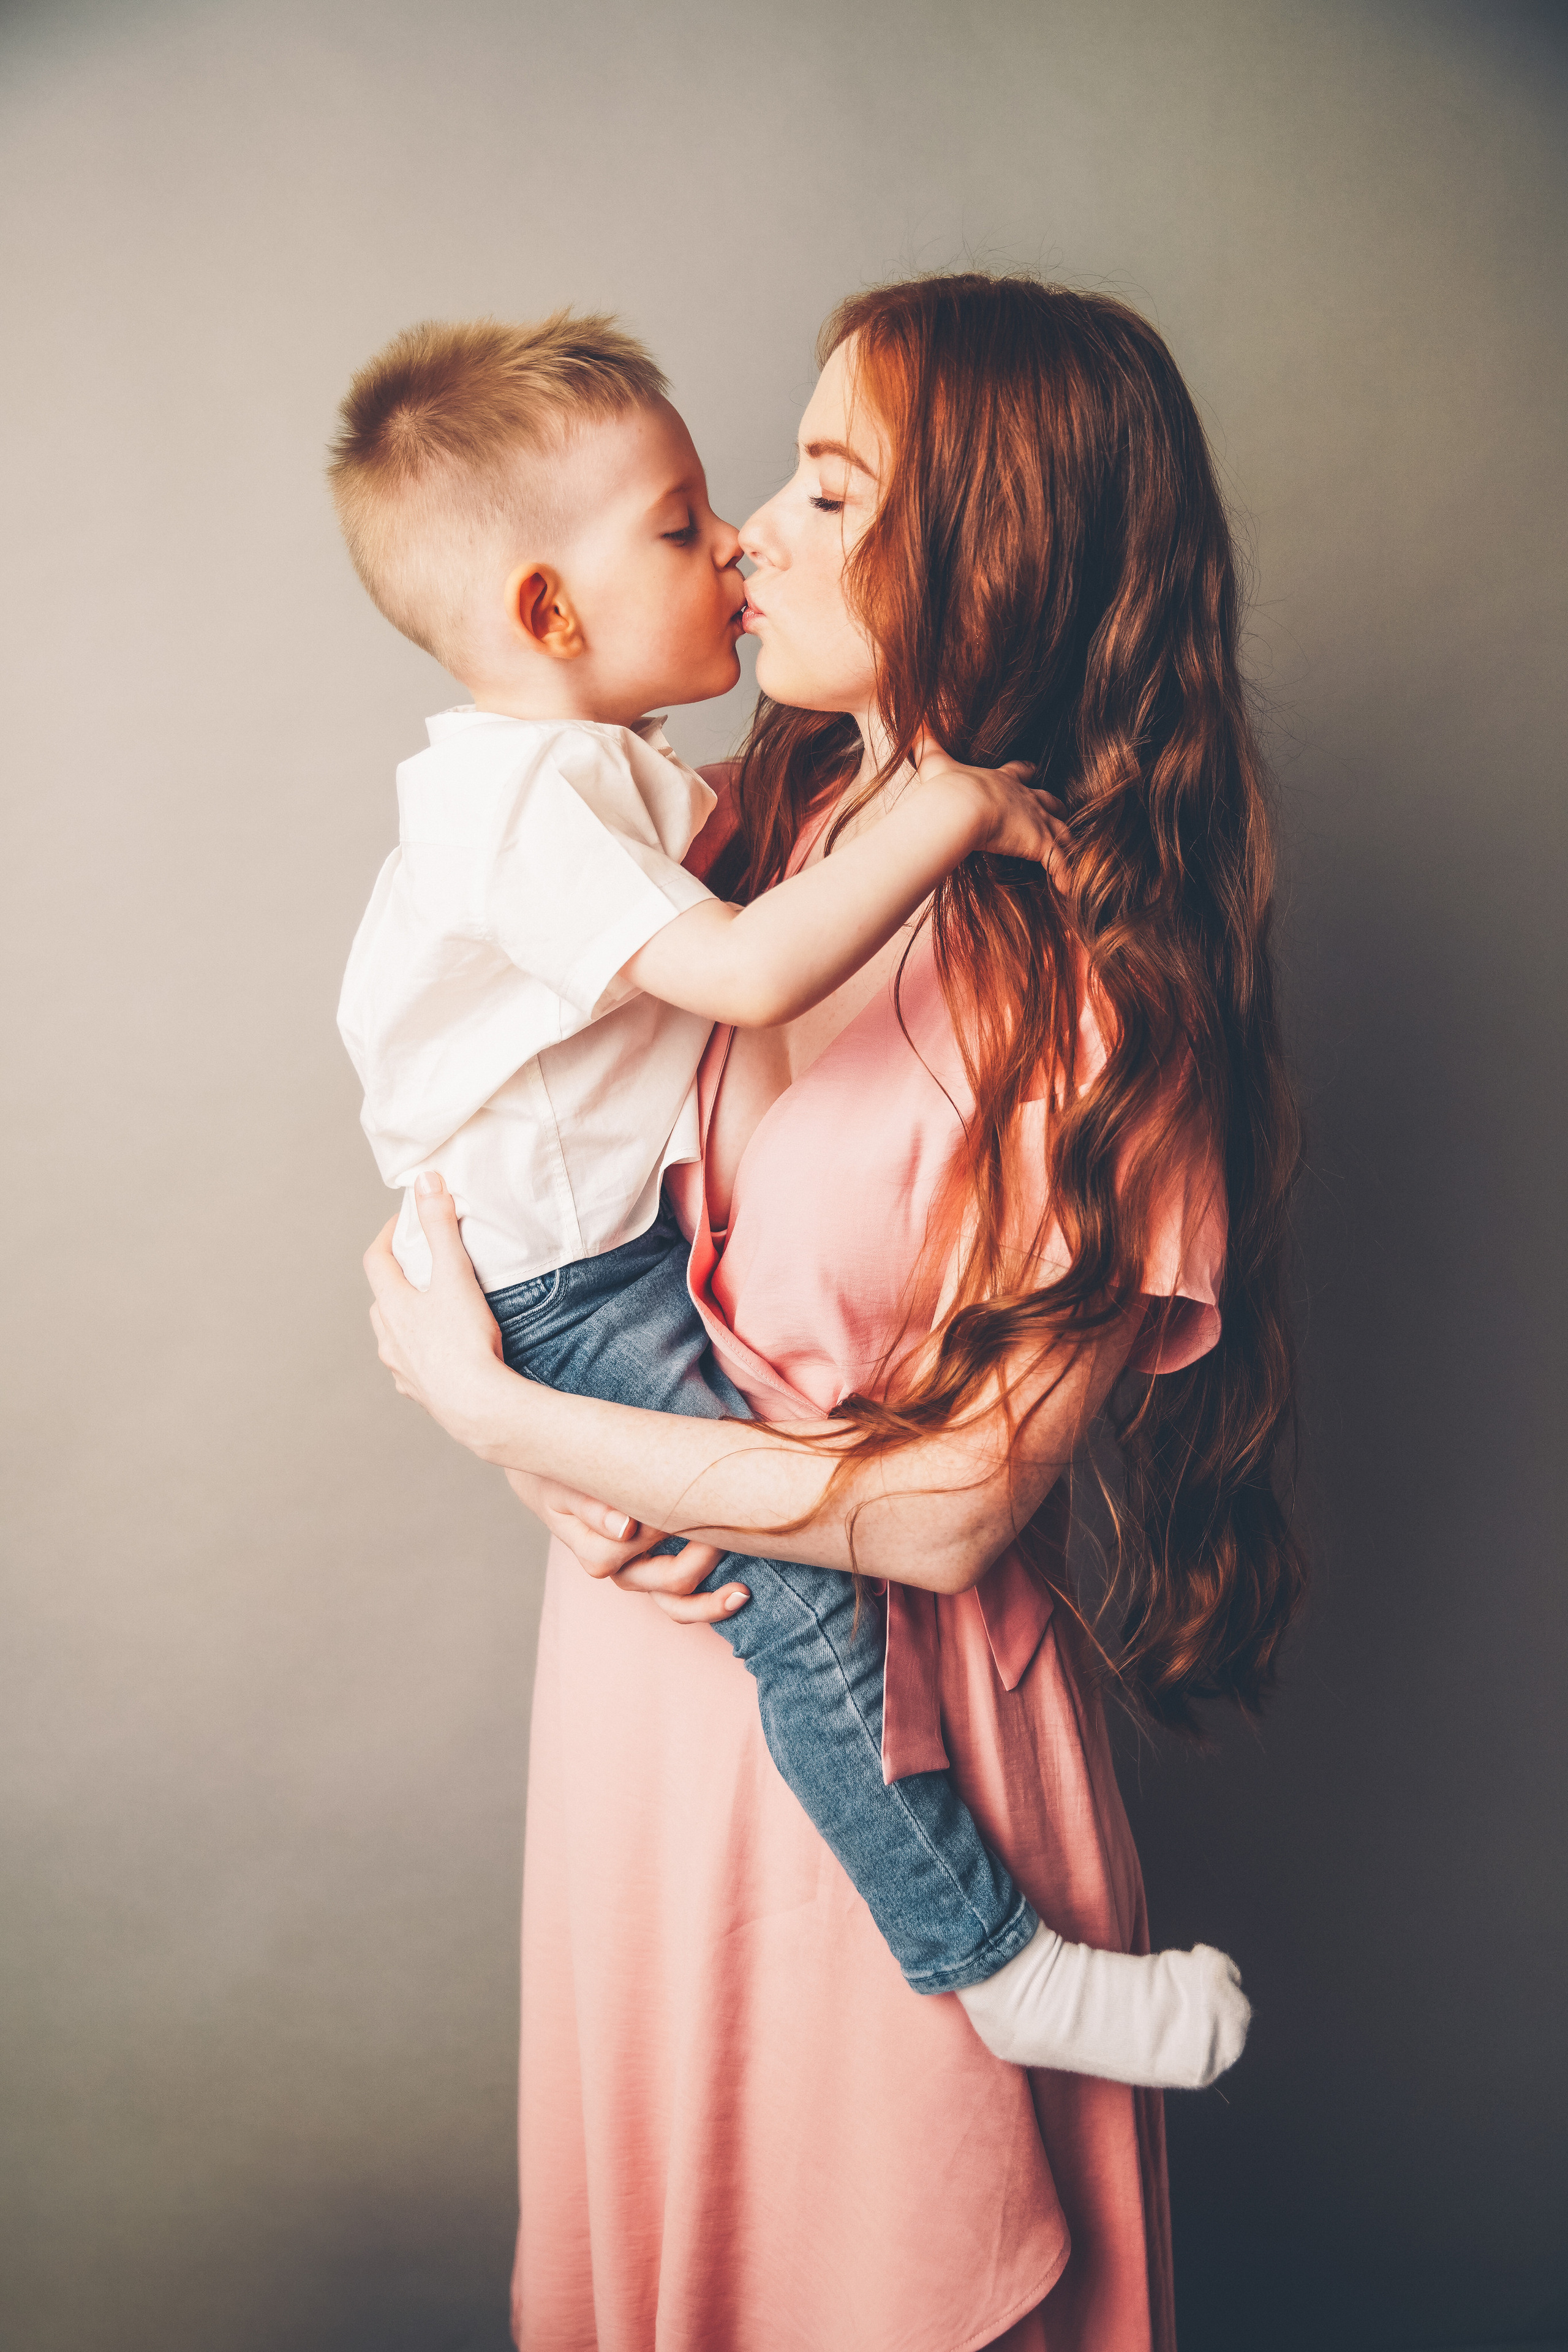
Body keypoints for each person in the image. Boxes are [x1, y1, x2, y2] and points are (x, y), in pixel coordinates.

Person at [364, 274, 1305, 2350]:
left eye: (822, 490)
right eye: (750, 495)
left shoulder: (1099, 997)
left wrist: (505, 1421)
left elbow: (954, 1509)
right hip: (652, 1728)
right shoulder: (752, 846)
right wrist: (551, 1455)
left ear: (992, 551)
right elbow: (587, 1231)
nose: (755, 544)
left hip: (906, 1750)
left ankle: (995, 1959)